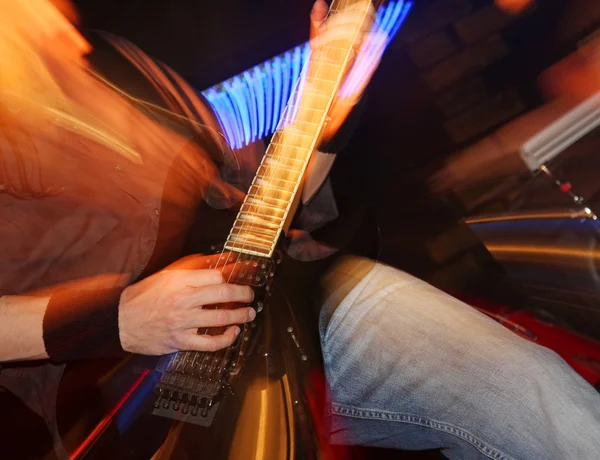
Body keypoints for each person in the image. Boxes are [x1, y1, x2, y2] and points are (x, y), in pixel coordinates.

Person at [1, 1, 599, 460]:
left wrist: (327, 106)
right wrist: (120, 315)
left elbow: (266, 209)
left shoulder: (119, 69)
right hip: (135, 391)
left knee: (534, 392)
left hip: (296, 301)